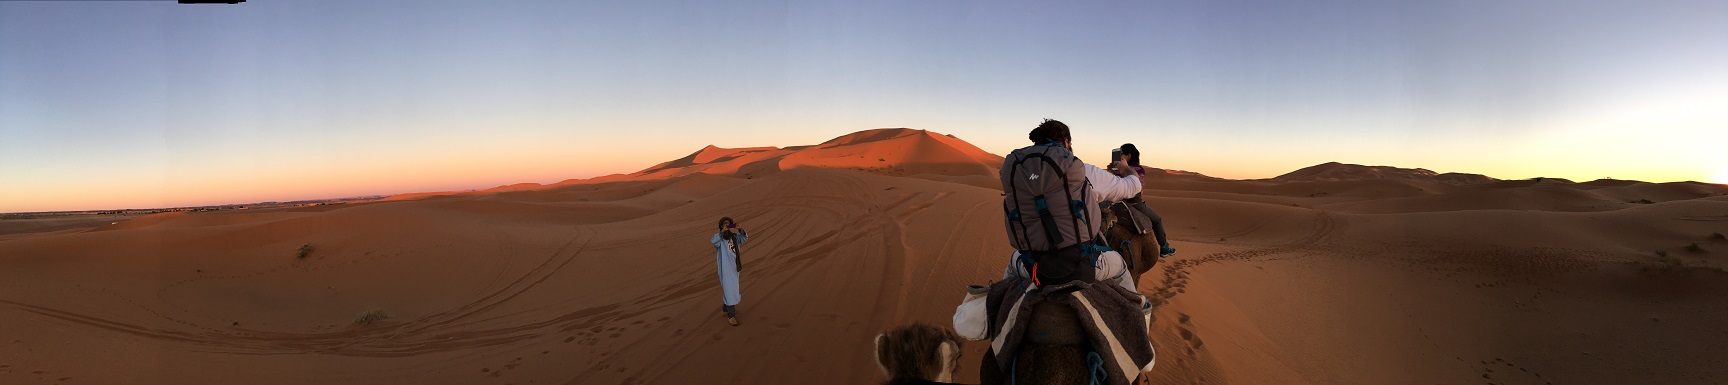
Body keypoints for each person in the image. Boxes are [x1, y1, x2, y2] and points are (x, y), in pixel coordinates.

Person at [1000, 119, 1143, 293]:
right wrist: (1125, 168)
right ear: (1066, 142)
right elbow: (1133, 186)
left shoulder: (1019, 172)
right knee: (1120, 266)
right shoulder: (1083, 170)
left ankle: (999, 300)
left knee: (1012, 264)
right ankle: (1139, 313)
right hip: (1080, 267)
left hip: (1033, 268)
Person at [1118, 143, 1175, 256]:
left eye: (1121, 154)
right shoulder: (1138, 170)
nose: (1119, 156)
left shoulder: (1123, 169)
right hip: (1133, 203)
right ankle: (1164, 247)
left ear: (1128, 156)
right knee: (1157, 220)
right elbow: (1138, 190)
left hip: (1117, 200)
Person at [711, 216, 748, 326]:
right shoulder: (720, 239)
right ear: (721, 226)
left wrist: (740, 229)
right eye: (724, 224)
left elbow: (744, 238)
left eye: (729, 224)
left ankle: (725, 308)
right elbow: (714, 242)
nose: (727, 225)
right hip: (725, 269)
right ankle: (731, 315)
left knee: (732, 289)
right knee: (729, 290)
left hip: (735, 268)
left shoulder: (735, 237)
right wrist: (723, 232)